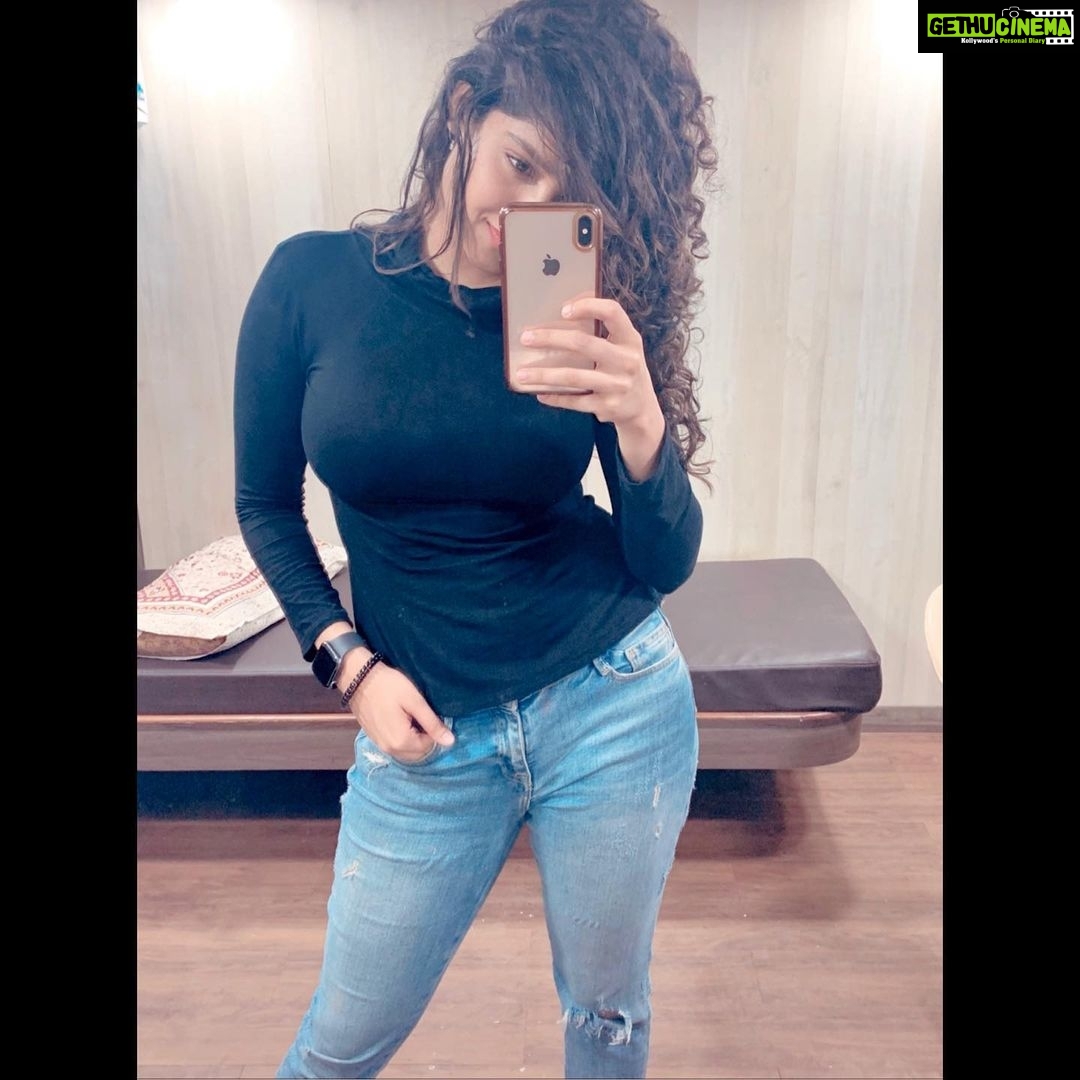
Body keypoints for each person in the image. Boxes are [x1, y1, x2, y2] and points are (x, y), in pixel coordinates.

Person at [233, 1, 717, 1076]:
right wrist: (349, 664)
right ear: (463, 110)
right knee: (340, 1044)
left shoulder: (583, 310)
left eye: (568, 191)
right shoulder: (310, 282)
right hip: (428, 736)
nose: (531, 208)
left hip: (614, 700)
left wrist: (643, 428)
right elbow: (265, 503)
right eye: (521, 162)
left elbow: (663, 560)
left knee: (608, 1014)